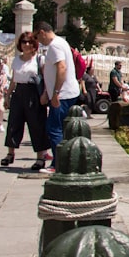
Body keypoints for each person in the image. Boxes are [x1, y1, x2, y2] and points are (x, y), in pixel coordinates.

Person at [33, 22, 81, 174]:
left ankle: (58, 164)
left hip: (63, 94)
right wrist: (47, 92)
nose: (37, 41)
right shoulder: (62, 42)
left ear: (42, 32)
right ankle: (62, 161)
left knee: (54, 129)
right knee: (59, 128)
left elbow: (62, 68)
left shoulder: (55, 46)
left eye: (37, 37)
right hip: (65, 92)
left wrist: (55, 93)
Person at [1, 32, 52, 168]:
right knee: (13, 123)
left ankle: (40, 157)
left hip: (33, 93)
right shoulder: (17, 60)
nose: (26, 45)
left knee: (36, 124)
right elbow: (14, 79)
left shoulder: (39, 59)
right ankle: (10, 153)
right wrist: (7, 96)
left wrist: (45, 94)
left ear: (34, 45)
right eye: (24, 42)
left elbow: (46, 79)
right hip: (19, 92)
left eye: (29, 42)